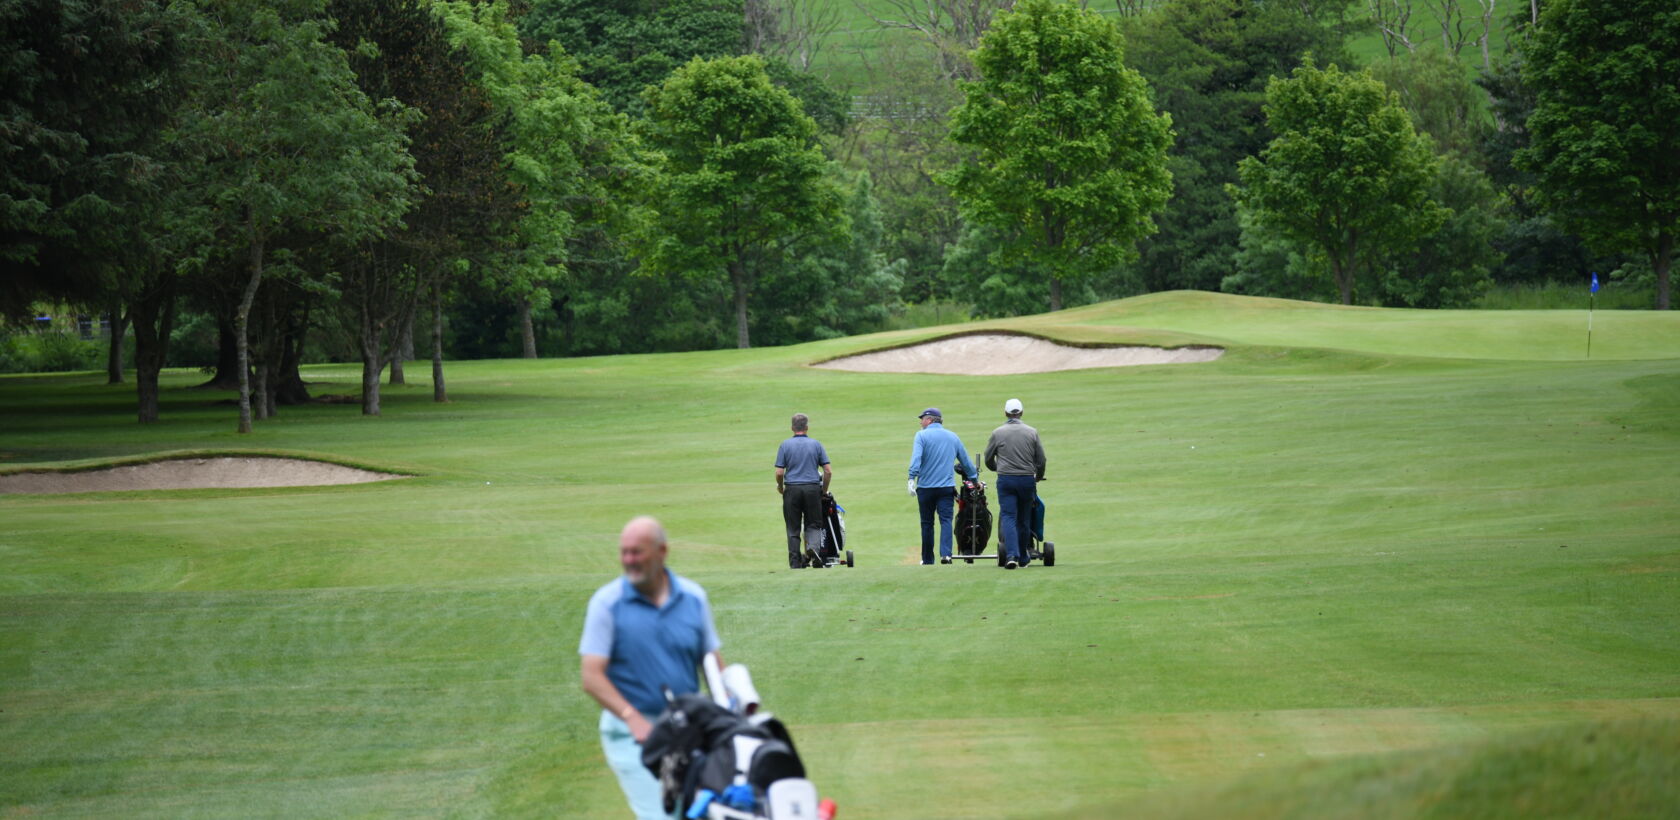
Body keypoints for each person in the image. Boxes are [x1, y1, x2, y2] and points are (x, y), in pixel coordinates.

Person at [580, 516, 723, 820]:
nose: (629, 560)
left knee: (712, 809)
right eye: (624, 552)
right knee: (664, 814)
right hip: (633, 734)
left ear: (662, 551)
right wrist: (632, 718)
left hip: (686, 728)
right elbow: (591, 676)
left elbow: (711, 663)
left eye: (637, 552)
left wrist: (729, 713)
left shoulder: (692, 598)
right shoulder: (607, 604)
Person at [907, 407, 976, 565]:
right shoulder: (953, 437)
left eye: (922, 419)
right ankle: (946, 555)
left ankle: (928, 559)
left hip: (925, 488)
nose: (920, 422)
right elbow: (966, 461)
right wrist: (974, 479)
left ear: (930, 420)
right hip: (945, 488)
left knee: (927, 523)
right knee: (946, 520)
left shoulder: (921, 436)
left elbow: (916, 459)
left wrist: (911, 477)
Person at [983, 398, 1046, 570]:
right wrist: (1038, 476)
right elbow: (1041, 459)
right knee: (1024, 518)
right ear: (1021, 413)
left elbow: (988, 458)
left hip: (1006, 479)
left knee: (1008, 517)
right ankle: (1024, 557)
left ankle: (1011, 555)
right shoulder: (1031, 432)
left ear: (1006, 413)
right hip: (1026, 479)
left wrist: (997, 468)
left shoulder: (998, 432)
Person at [774, 412, 832, 569]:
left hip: (792, 489)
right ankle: (813, 549)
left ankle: (795, 563)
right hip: (812, 488)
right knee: (813, 524)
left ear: (792, 428)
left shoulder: (785, 445)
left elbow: (779, 472)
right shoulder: (816, 444)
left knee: (793, 528)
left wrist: (780, 487)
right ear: (807, 427)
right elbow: (828, 471)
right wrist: (824, 491)